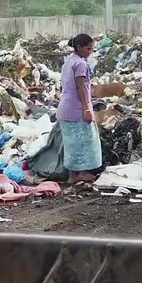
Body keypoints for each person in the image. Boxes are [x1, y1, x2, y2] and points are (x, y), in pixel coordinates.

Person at [58, 33, 103, 183]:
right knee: (85, 142)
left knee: (71, 145)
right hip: (77, 109)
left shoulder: (68, 61)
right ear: (79, 47)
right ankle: (83, 173)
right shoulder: (80, 64)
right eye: (88, 49)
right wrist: (86, 109)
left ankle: (72, 176)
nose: (90, 52)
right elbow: (81, 88)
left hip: (65, 108)